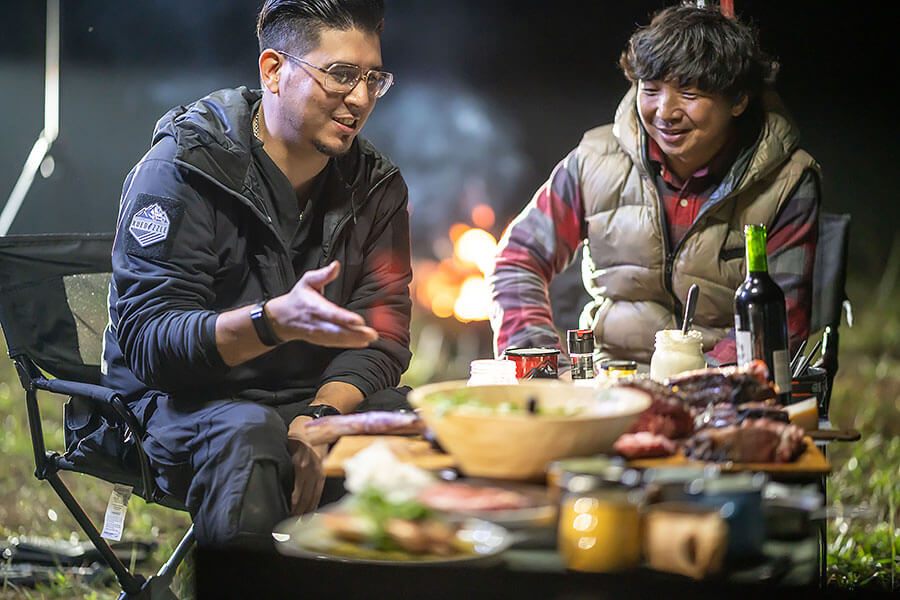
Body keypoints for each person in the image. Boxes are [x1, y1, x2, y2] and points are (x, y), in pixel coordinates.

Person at [102, 0, 412, 550]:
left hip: (309, 399)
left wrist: (323, 417)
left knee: (421, 424)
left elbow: (383, 333)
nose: (361, 99)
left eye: (372, 78)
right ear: (273, 70)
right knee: (249, 435)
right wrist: (272, 322)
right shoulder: (184, 169)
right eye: (341, 74)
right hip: (183, 405)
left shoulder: (376, 186)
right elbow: (152, 345)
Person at [489, 3, 819, 371]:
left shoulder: (787, 180)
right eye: (651, 88)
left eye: (690, 94)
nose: (665, 111)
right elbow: (518, 259)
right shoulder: (594, 161)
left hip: (723, 390)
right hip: (605, 386)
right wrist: (541, 365)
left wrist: (696, 386)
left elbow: (783, 317)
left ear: (739, 99)